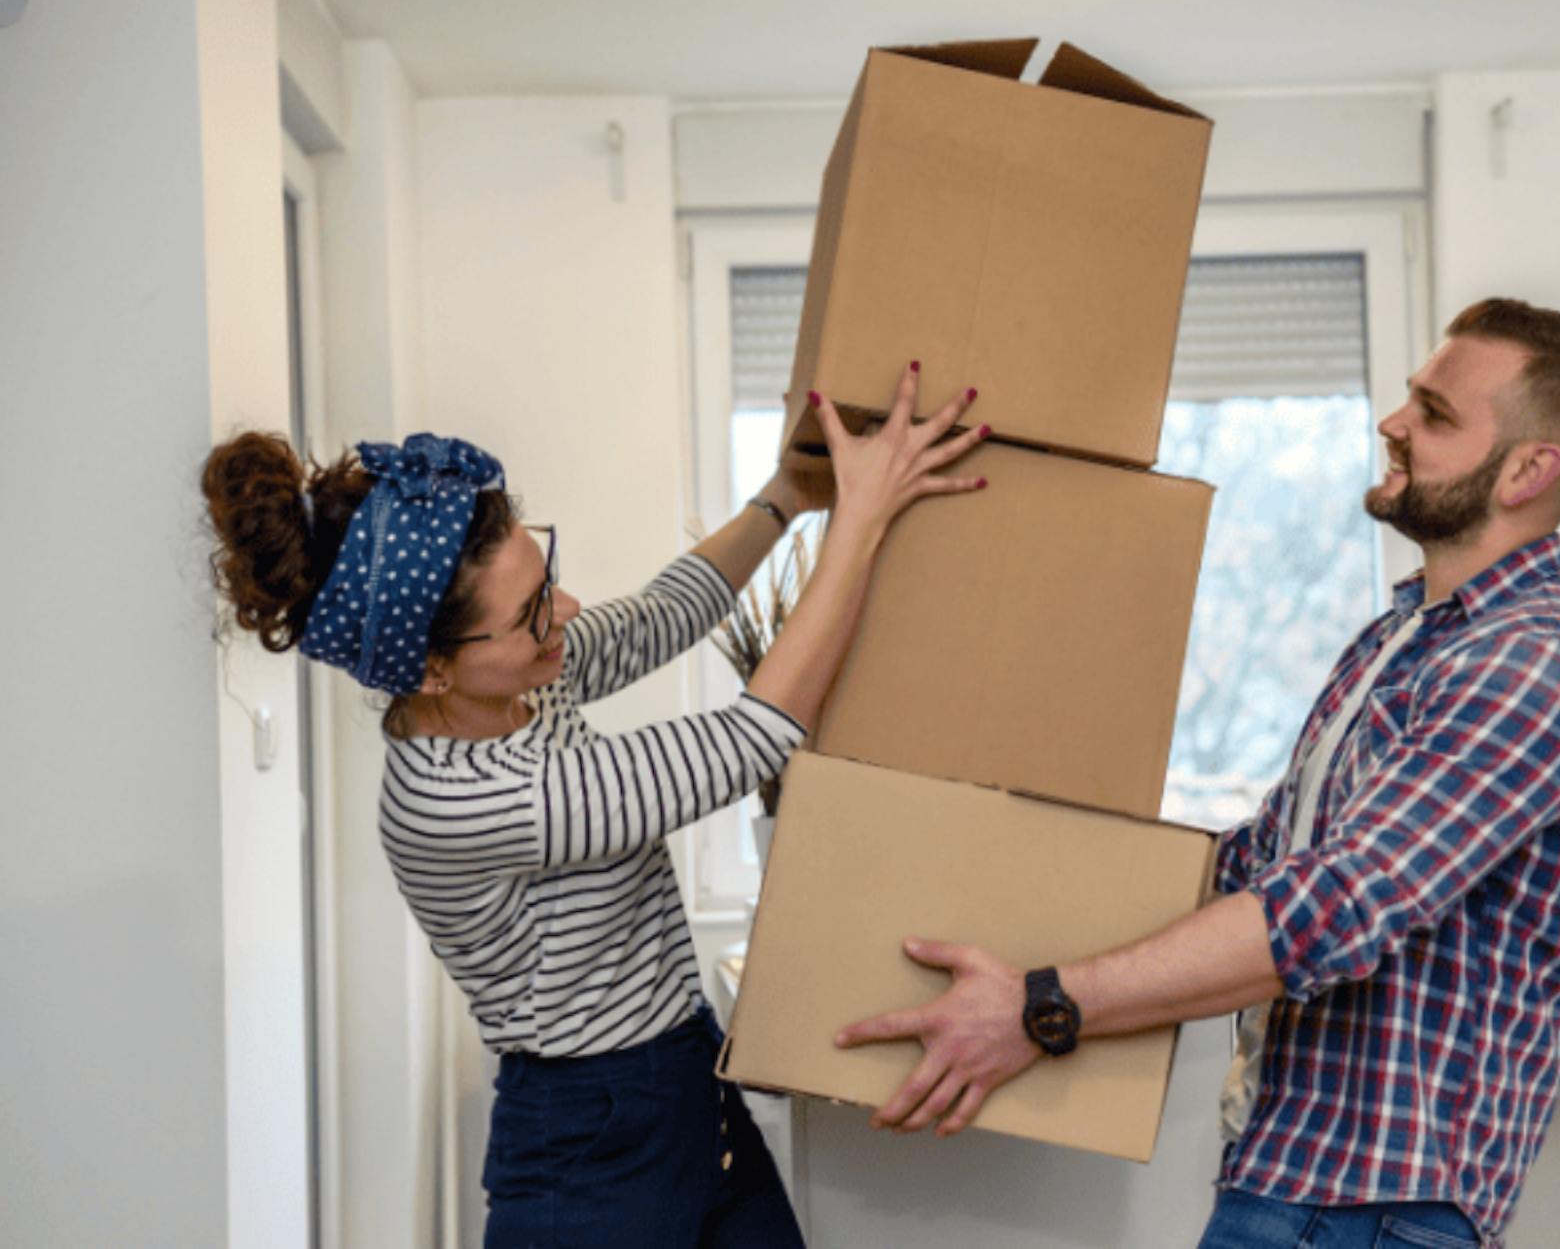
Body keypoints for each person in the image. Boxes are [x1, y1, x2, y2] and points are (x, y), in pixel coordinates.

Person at [834, 299, 1560, 1249]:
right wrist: (1014, 862)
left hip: (1372, 1205)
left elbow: (1335, 904)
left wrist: (1042, 1004)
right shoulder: (1404, 639)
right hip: (1298, 1176)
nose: (1392, 422)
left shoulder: (1539, 663)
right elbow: (1258, 859)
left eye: (1434, 412)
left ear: (1527, 471)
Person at [203, 365, 985, 1249]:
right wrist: (863, 521)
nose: (565, 612)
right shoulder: (457, 797)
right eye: (532, 612)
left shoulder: (522, 683)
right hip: (590, 1144)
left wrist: (785, 499)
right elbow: (746, 742)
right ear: (433, 668)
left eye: (549, 579)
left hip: (689, 1080)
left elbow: (662, 615)